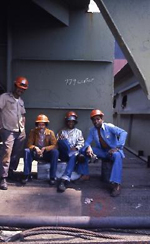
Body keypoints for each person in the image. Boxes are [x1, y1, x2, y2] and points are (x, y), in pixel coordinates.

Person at [83, 109, 127, 197]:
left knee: (117, 156)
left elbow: (123, 132)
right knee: (82, 150)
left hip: (113, 152)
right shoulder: (92, 130)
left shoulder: (109, 127)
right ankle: (84, 173)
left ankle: (116, 184)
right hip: (103, 152)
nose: (96, 121)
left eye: (98, 119)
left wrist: (117, 147)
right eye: (94, 120)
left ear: (102, 119)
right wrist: (88, 147)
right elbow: (87, 142)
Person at [0, 76, 29, 190]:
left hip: (20, 132)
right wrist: (1, 127)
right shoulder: (4, 97)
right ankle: (3, 178)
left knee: (16, 154)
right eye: (19, 88)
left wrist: (24, 129)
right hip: (8, 130)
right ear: (15, 86)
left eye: (23, 89)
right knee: (6, 154)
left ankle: (11, 172)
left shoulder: (21, 101)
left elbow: (23, 115)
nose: (20, 90)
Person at [57, 111, 89, 192]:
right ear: (66, 122)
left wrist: (77, 148)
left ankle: (64, 180)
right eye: (69, 121)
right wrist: (62, 140)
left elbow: (81, 143)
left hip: (74, 154)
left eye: (72, 121)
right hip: (64, 154)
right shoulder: (62, 131)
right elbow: (57, 143)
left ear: (75, 122)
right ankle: (73, 154)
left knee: (74, 155)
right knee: (62, 141)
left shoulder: (78, 132)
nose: (70, 123)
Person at [22, 114, 59, 185]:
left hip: (46, 153)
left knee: (55, 152)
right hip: (36, 152)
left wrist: (45, 148)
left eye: (43, 125)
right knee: (26, 151)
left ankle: (52, 177)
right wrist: (35, 148)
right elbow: (29, 144)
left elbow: (55, 145)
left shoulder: (50, 133)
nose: (41, 127)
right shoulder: (33, 132)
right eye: (39, 125)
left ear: (45, 125)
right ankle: (26, 175)